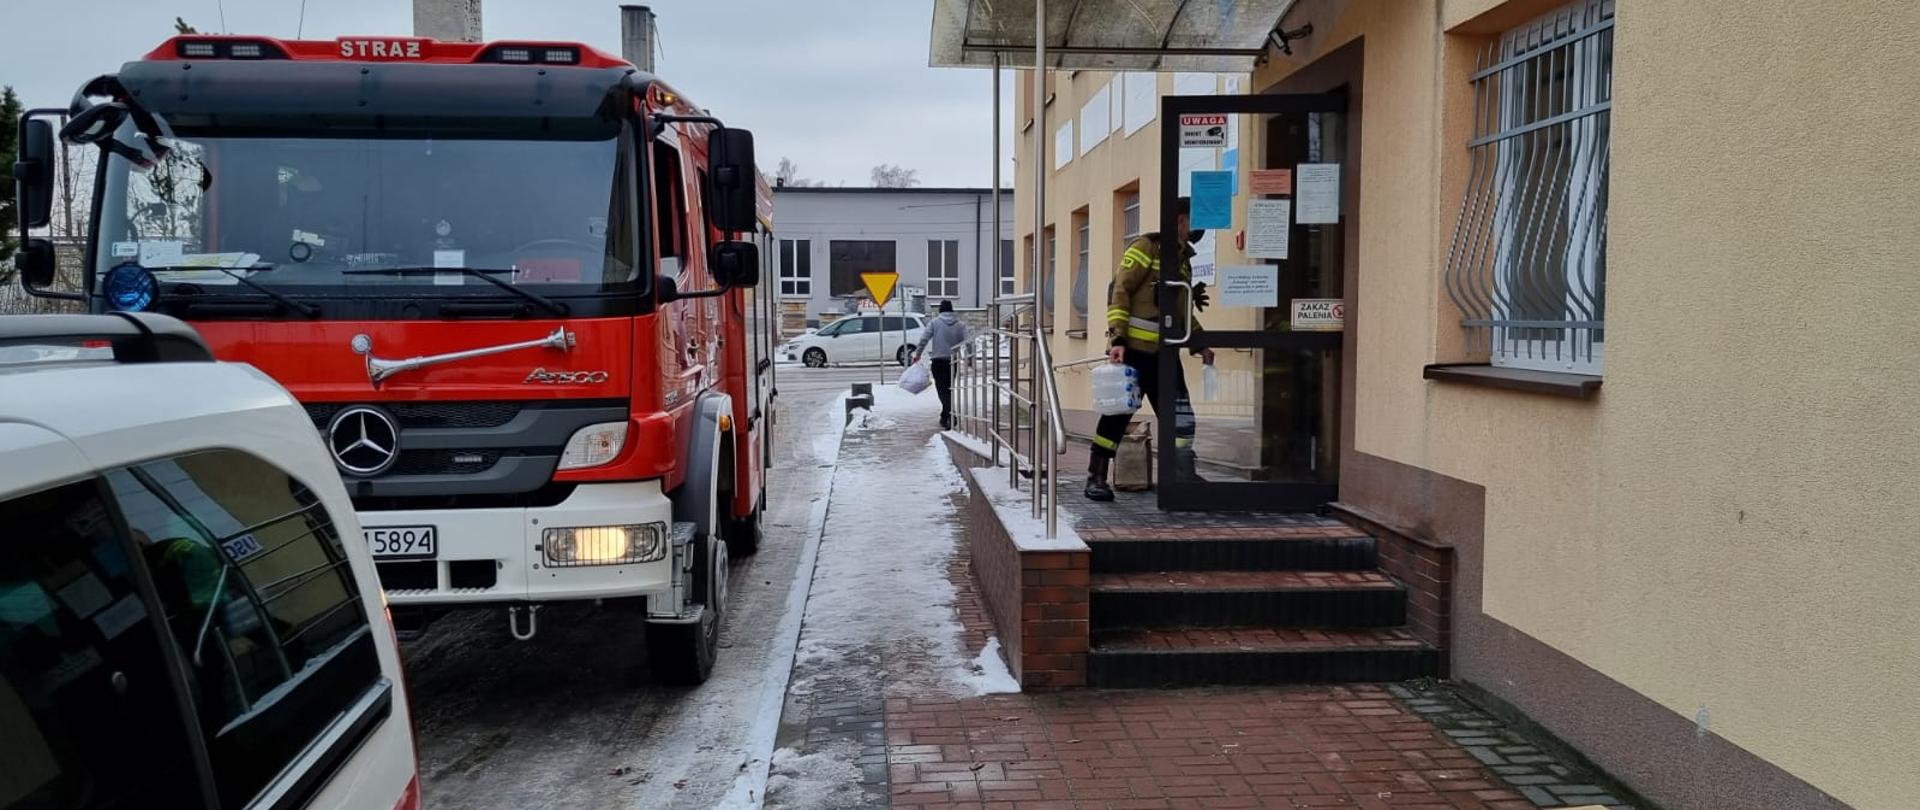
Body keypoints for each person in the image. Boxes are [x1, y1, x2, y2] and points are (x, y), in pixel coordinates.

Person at [1085, 196, 1213, 501]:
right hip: (1135, 352)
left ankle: (1183, 474)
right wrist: (1118, 339)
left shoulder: (1182, 259)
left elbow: (1181, 312)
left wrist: (1201, 344)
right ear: (1181, 220)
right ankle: (1096, 477)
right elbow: (1121, 290)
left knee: (1182, 415)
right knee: (1117, 417)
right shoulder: (1147, 247)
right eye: (1195, 219)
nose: (1200, 227)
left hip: (1165, 354)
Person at [915, 300, 970, 430]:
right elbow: (969, 342)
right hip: (953, 361)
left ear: (940, 310)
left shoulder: (934, 323)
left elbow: (924, 339)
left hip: (938, 360)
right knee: (949, 389)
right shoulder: (960, 325)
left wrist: (917, 353)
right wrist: (971, 358)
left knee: (942, 390)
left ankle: (950, 414)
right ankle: (945, 416)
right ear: (951, 310)